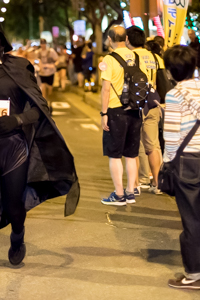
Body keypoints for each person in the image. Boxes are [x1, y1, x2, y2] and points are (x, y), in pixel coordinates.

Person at [0, 15, 79, 294]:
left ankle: (17, 235)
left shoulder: (20, 67)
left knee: (13, 208)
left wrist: (18, 120)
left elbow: (40, 109)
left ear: (1, 37)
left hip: (14, 151)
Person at [163, 45, 200, 289]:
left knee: (192, 219)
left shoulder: (174, 95)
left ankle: (194, 275)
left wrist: (167, 165)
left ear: (170, 72)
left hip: (188, 162)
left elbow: (172, 136)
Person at [100, 26, 142, 206]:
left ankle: (118, 195)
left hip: (116, 111)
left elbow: (106, 88)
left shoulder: (108, 59)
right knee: (131, 154)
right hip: (135, 110)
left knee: (115, 154)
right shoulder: (137, 56)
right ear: (126, 38)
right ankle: (130, 192)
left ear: (110, 39)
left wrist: (103, 113)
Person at [126, 26, 163, 195]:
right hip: (152, 102)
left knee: (134, 144)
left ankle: (136, 185)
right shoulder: (152, 56)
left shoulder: (131, 56)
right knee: (153, 145)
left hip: (137, 104)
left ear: (128, 39)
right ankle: (157, 183)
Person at [36, 39, 58, 110]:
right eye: (42, 43)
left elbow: (57, 60)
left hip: (50, 72)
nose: (43, 45)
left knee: (50, 89)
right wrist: (39, 66)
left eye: (44, 43)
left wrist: (53, 65)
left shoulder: (51, 51)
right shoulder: (38, 52)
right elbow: (35, 61)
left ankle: (50, 103)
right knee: (43, 89)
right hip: (42, 73)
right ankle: (45, 105)